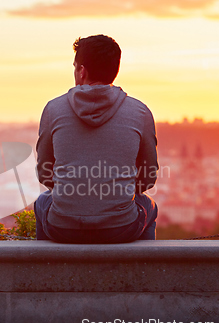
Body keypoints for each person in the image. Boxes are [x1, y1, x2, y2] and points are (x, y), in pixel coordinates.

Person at [34, 34, 158, 243]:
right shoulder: (140, 112)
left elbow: (44, 172)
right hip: (121, 227)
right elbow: (149, 176)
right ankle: (143, 270)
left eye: (75, 67)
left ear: (82, 71)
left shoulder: (53, 109)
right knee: (149, 206)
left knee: (41, 202)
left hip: (63, 227)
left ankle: (43, 269)